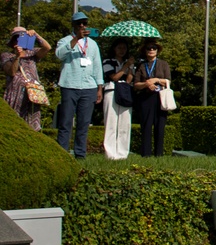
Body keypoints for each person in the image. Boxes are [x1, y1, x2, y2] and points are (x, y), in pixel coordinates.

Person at [55, 11, 104, 157]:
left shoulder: (93, 44)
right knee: (66, 121)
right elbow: (59, 55)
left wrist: (100, 87)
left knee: (84, 123)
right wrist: (76, 39)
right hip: (69, 85)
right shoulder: (65, 40)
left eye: (84, 23)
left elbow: (97, 66)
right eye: (79, 23)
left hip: (89, 87)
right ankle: (62, 153)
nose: (82, 26)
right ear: (73, 25)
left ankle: (80, 153)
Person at [2, 28, 52, 130]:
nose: (19, 40)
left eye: (22, 37)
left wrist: (36, 35)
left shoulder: (32, 53)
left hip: (33, 94)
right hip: (16, 94)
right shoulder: (6, 56)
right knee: (14, 123)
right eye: (17, 38)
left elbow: (47, 48)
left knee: (32, 124)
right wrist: (17, 56)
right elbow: (11, 72)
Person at [132, 37, 171, 157]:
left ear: (157, 51)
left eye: (154, 48)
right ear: (145, 51)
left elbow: (168, 81)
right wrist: (146, 84)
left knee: (160, 126)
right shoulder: (141, 66)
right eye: (149, 48)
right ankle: (146, 154)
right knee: (146, 125)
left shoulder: (163, 64)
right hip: (145, 98)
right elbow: (136, 84)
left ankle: (159, 154)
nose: (151, 50)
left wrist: (157, 80)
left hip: (160, 97)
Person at [101, 38, 135, 160]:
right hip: (112, 91)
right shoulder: (107, 61)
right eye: (119, 48)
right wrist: (125, 66)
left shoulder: (128, 62)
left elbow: (129, 80)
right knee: (111, 123)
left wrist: (130, 67)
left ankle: (122, 154)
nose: (122, 51)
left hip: (125, 92)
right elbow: (114, 77)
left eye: (124, 48)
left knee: (125, 124)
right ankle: (110, 154)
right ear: (114, 49)